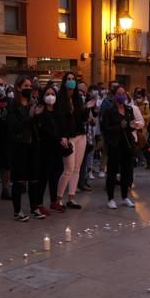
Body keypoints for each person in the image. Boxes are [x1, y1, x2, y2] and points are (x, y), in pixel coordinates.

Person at [101, 86, 140, 208]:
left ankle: (125, 197)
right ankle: (111, 198)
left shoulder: (128, 109)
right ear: (114, 95)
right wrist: (119, 126)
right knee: (112, 171)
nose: (122, 95)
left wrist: (132, 125)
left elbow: (131, 124)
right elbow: (105, 128)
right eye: (119, 93)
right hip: (114, 143)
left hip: (127, 143)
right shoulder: (109, 110)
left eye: (123, 93)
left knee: (126, 171)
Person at [30, 82, 66, 214]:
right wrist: (37, 115)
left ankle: (53, 201)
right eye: (47, 94)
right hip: (44, 148)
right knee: (43, 176)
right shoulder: (41, 110)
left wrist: (64, 137)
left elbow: (62, 127)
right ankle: (39, 203)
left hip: (57, 148)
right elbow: (44, 129)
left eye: (52, 94)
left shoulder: (58, 111)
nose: (50, 96)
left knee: (55, 174)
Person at [5, 77, 38, 221]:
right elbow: (14, 126)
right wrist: (29, 116)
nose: (29, 88)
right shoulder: (13, 105)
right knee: (19, 179)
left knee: (33, 178)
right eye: (26, 85)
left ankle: (34, 207)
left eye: (30, 86)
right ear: (18, 88)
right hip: (19, 144)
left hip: (32, 143)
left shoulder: (33, 103)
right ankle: (17, 211)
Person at [54, 72, 87, 210]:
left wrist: (87, 109)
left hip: (80, 136)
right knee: (68, 169)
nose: (71, 81)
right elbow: (59, 120)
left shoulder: (78, 98)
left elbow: (82, 118)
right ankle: (58, 199)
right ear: (64, 81)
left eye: (73, 79)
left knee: (77, 169)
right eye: (69, 79)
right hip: (68, 137)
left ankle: (71, 198)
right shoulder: (60, 99)